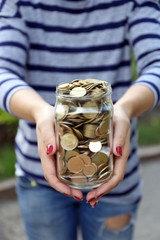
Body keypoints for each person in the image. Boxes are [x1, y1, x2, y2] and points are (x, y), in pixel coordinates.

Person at [0, 0, 160, 239]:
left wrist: (125, 108)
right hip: (40, 172)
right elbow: (3, 71)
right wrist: (41, 112)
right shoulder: (18, 3)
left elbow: (156, 64)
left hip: (112, 167)